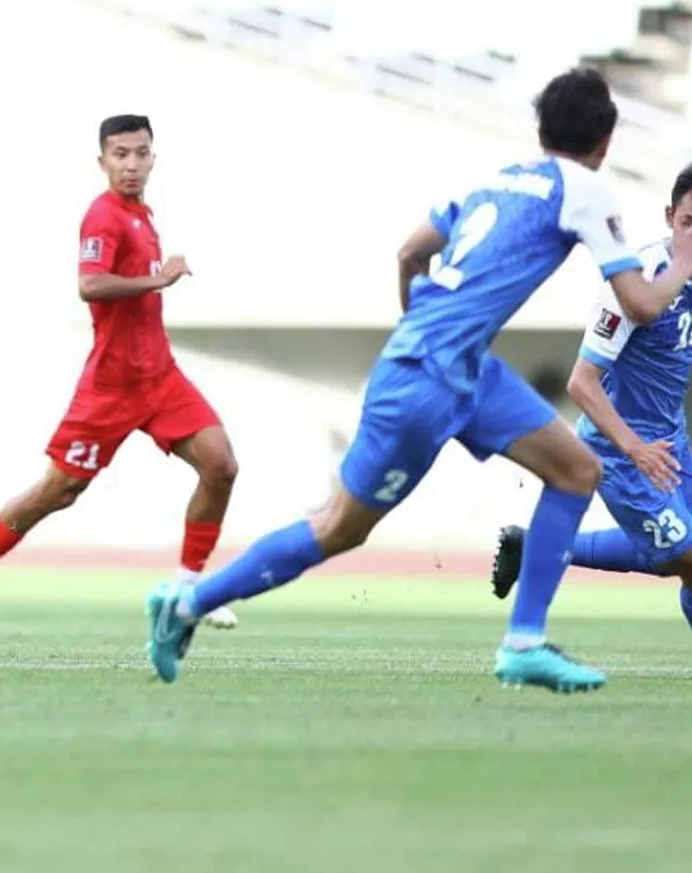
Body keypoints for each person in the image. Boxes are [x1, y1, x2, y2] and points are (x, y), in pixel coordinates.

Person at [143, 67, 692, 692]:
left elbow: (410, 252)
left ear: (541, 129)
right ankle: (186, 603)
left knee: (577, 470)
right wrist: (682, 261)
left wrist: (421, 325)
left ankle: (524, 644)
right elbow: (642, 302)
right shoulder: (587, 191)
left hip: (461, 367)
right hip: (428, 377)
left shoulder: (496, 180)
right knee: (340, 527)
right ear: (606, 141)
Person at [0, 114, 241, 637]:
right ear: (102, 160)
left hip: (160, 376)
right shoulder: (103, 217)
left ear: (154, 158)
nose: (131, 164)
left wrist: (154, 280)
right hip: (111, 387)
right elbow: (91, 284)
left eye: (141, 153)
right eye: (120, 154)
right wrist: (158, 279)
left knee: (220, 466)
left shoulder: (142, 215)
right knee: (59, 491)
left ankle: (188, 589)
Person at [491, 164, 692, 627]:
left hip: (670, 439)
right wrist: (634, 448)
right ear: (669, 218)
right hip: (622, 449)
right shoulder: (637, 283)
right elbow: (582, 382)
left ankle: (532, 545)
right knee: (685, 560)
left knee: (681, 558)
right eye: (689, 222)